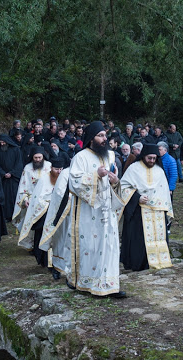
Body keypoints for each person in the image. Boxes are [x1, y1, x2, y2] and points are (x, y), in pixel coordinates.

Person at [66, 121, 126, 298]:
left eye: (105, 136)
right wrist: (95, 175)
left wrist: (115, 182)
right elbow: (74, 183)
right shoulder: (81, 157)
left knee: (109, 246)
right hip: (88, 212)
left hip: (107, 210)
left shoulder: (109, 156)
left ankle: (109, 284)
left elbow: (112, 184)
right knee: (91, 246)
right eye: (100, 135)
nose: (104, 139)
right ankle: (88, 283)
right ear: (91, 138)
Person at [120, 144, 173, 271]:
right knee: (139, 241)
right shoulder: (133, 168)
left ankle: (157, 262)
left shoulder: (159, 171)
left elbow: (164, 191)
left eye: (154, 158)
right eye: (149, 158)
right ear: (143, 156)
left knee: (158, 238)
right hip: (139, 211)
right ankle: (138, 265)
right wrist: (137, 197)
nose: (152, 161)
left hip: (157, 212)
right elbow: (123, 187)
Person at [18, 157, 65, 278]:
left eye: (61, 169)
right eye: (56, 169)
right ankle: (47, 263)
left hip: (60, 214)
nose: (59, 172)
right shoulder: (44, 180)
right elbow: (38, 199)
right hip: (45, 214)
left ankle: (58, 264)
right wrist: (50, 204)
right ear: (51, 168)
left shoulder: (65, 178)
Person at [12, 147, 51, 235]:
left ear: (43, 157)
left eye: (39, 157)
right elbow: (23, 185)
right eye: (35, 158)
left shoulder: (49, 166)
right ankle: (32, 245)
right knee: (32, 223)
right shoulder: (27, 168)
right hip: (31, 201)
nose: (37, 160)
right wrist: (25, 199)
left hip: (46, 200)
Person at [0, 134, 23, 222]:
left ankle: (15, 215)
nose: (2, 144)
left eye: (3, 142)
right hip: (3, 178)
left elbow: (19, 163)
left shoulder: (16, 149)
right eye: (0, 142)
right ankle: (5, 216)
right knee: (4, 197)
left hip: (13, 178)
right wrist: (3, 173)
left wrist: (12, 173)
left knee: (13, 196)